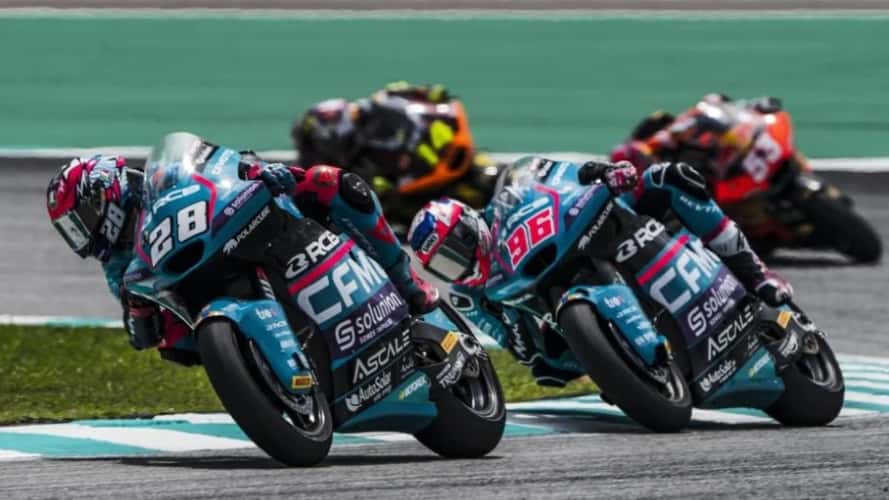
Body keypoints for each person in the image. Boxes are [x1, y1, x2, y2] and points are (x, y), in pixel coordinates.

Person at [406, 158, 792, 387]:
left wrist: (602, 172)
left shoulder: (506, 202)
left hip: (593, 235)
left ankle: (756, 274)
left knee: (673, 177)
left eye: (455, 249)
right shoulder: (466, 294)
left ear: (470, 227)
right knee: (547, 364)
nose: (458, 264)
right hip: (553, 319)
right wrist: (527, 346)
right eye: (444, 264)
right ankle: (621, 364)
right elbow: (510, 341)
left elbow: (557, 174)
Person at [46, 151, 438, 358]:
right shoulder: (117, 266)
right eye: (71, 231)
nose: (82, 237)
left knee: (330, 182)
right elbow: (142, 338)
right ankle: (259, 367)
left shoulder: (161, 176)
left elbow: (224, 164)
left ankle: (405, 281)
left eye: (80, 222)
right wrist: (138, 312)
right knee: (174, 344)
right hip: (201, 294)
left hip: (244, 228)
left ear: (104, 195)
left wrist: (259, 172)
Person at [291, 81, 496, 228]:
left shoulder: (379, 105)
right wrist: (386, 192)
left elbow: (431, 95)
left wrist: (428, 94)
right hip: (415, 199)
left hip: (443, 160)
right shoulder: (338, 173)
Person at [610, 93, 784, 181]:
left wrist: (736, 136)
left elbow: (707, 114)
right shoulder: (655, 173)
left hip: (741, 148)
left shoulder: (662, 138)